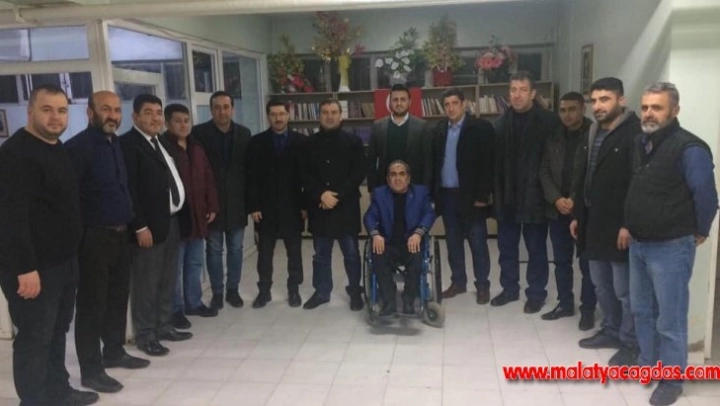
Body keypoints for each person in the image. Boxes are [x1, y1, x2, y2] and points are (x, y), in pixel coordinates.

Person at [0, 84, 99, 406]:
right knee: (35, 337)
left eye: (62, 110)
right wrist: (25, 268)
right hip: (33, 269)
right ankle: (34, 400)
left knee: (56, 332)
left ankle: (59, 391)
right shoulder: (14, 154)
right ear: (30, 111)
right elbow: (10, 218)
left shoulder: (56, 148)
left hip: (63, 263)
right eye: (47, 109)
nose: (56, 117)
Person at [626, 83, 718, 406]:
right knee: (642, 310)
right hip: (639, 244)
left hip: (670, 248)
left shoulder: (690, 148)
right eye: (645, 107)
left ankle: (672, 380)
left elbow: (706, 195)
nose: (649, 113)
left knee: (670, 319)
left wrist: (700, 229)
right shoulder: (641, 142)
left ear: (674, 110)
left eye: (657, 107)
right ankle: (648, 364)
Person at [65, 91, 150, 395]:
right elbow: (70, 200)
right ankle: (91, 370)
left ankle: (114, 351)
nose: (113, 115)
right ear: (90, 112)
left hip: (120, 235)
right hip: (93, 239)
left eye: (116, 110)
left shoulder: (115, 145)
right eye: (105, 109)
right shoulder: (77, 148)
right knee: (92, 305)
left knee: (117, 298)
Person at [570, 77, 641, 366]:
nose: (598, 106)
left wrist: (628, 223)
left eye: (605, 99)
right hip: (593, 223)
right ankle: (611, 330)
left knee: (625, 290)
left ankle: (631, 342)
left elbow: (638, 182)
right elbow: (584, 175)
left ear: (621, 100)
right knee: (601, 284)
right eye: (594, 101)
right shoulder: (593, 131)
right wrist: (578, 215)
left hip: (619, 226)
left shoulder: (635, 133)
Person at [120, 94, 192, 357]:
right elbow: (129, 190)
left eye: (158, 112)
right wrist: (139, 226)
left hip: (170, 222)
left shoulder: (159, 142)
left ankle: (164, 325)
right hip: (148, 228)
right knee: (146, 283)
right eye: (148, 112)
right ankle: (146, 334)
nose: (155, 118)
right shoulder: (128, 145)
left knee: (167, 279)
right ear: (135, 116)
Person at [493, 71, 560, 313]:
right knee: (506, 249)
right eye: (513, 90)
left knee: (536, 250)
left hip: (536, 197)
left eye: (522, 90)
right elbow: (495, 166)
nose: (517, 95)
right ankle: (510, 289)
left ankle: (536, 293)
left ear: (532, 94)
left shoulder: (549, 122)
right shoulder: (500, 124)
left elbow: (554, 162)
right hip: (508, 197)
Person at [539, 91, 597, 331]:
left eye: (572, 109)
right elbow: (543, 171)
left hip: (584, 211)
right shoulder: (553, 136)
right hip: (557, 211)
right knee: (561, 262)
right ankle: (565, 304)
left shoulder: (595, 134)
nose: (567, 114)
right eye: (562, 110)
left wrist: (575, 199)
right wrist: (556, 199)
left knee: (587, 265)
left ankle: (588, 310)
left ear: (583, 109)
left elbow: (594, 173)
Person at [431, 88, 495, 304]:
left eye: (454, 103)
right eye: (446, 104)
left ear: (464, 104)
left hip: (472, 197)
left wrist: (483, 195)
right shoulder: (439, 130)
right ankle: (458, 282)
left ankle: (483, 285)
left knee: (478, 243)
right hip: (447, 197)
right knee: (453, 243)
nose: (450, 108)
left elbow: (488, 164)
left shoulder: (480, 128)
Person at [302, 99, 366, 311]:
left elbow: (358, 173)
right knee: (321, 255)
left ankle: (355, 291)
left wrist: (336, 195)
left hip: (346, 206)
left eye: (333, 112)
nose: (329, 116)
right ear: (319, 116)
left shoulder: (354, 141)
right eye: (325, 112)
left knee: (351, 254)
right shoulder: (309, 143)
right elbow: (305, 175)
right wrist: (321, 194)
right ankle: (321, 292)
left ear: (341, 116)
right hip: (320, 207)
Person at [161, 104, 219, 330]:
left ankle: (194, 303)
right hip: (177, 218)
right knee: (175, 267)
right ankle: (176, 309)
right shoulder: (163, 148)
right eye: (178, 121)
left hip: (198, 215)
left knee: (195, 262)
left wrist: (212, 205)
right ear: (167, 123)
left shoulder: (196, 146)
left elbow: (208, 177)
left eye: (186, 120)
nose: (183, 125)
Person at [193, 91, 252, 309]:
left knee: (236, 249)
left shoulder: (244, 133)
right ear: (211, 110)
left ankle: (233, 290)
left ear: (232, 109)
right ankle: (217, 292)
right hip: (211, 204)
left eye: (226, 107)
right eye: (217, 107)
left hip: (237, 202)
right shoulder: (199, 134)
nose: (222, 112)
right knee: (214, 249)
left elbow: (249, 170)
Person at [247, 99, 307, 308]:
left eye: (281, 114)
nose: (278, 118)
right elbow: (251, 177)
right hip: (265, 209)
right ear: (268, 117)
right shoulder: (256, 142)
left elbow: (306, 177)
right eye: (273, 114)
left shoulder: (301, 142)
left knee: (294, 252)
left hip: (293, 207)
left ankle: (294, 289)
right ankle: (264, 291)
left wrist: (305, 206)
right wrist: (253, 206)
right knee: (264, 253)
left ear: (288, 115)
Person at [364, 160, 436, 316]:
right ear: (388, 179)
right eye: (393, 174)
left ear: (408, 178)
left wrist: (418, 233)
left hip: (411, 242)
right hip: (388, 243)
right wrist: (375, 235)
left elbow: (429, 214)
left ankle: (409, 300)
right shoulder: (380, 194)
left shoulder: (420, 193)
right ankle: (389, 301)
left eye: (402, 174)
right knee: (377, 253)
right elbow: (369, 216)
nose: (398, 178)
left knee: (417, 255)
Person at [366, 83, 432, 192]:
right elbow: (371, 161)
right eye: (395, 100)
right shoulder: (378, 126)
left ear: (409, 102)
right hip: (385, 188)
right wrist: (372, 189)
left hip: (414, 188)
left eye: (403, 99)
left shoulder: (422, 127)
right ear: (390, 102)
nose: (399, 103)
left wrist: (426, 190)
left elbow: (428, 163)